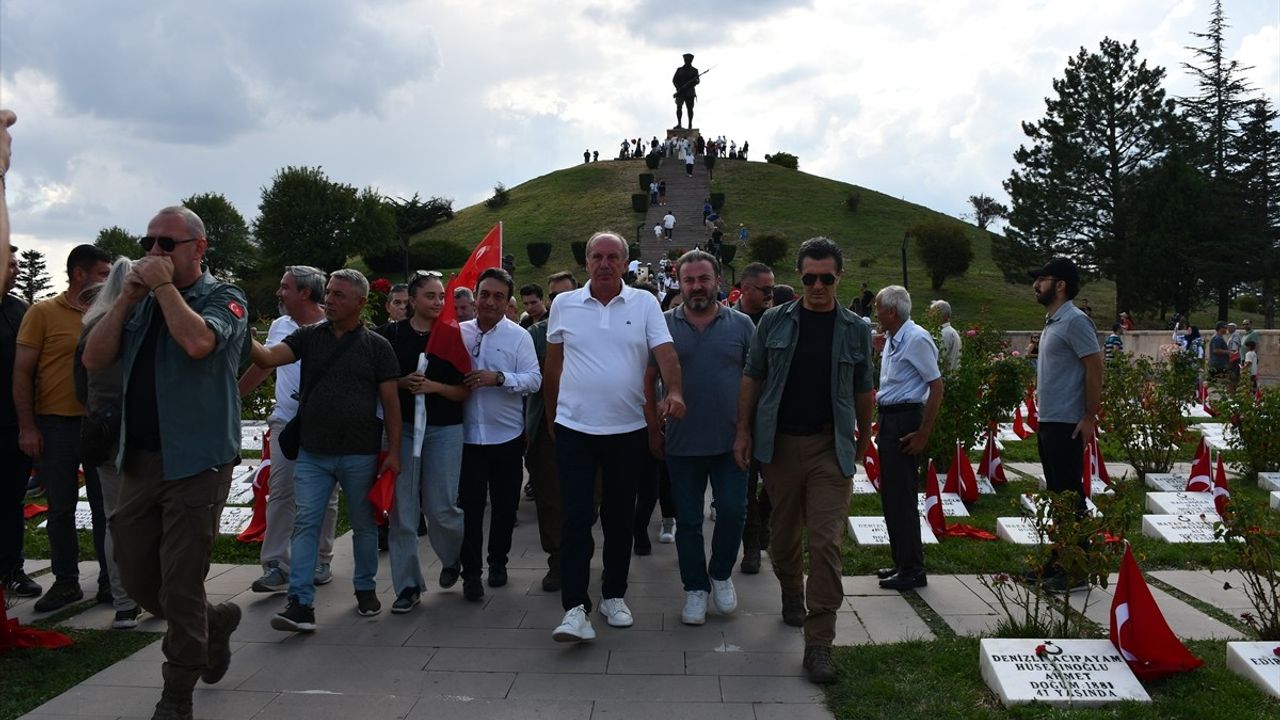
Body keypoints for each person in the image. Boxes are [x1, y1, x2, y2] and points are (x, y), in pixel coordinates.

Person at [82, 206, 248, 720]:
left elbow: (199, 342)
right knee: (134, 577)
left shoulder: (226, 297)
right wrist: (130, 295)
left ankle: (176, 694)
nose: (154, 252)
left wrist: (162, 290)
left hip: (199, 460)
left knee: (179, 582)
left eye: (167, 243)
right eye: (148, 241)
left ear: (198, 248)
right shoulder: (141, 301)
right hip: (141, 458)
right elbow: (94, 358)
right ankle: (214, 620)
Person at [734, 237, 874, 684]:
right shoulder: (774, 322)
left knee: (827, 542)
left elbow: (863, 389)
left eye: (826, 278)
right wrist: (743, 431)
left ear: (839, 277)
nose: (817, 286)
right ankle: (791, 590)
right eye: (810, 277)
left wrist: (866, 439)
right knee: (784, 538)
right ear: (800, 277)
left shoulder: (855, 329)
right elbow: (753, 376)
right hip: (780, 446)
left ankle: (819, 645)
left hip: (829, 447)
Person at [545, 232, 685, 643]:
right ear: (586, 262)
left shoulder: (644, 303)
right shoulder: (563, 304)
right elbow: (553, 367)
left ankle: (613, 595)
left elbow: (666, 354)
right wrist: (553, 418)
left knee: (620, 517)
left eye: (612, 257)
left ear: (626, 263)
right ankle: (574, 608)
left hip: (627, 430)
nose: (604, 263)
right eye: (596, 256)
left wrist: (674, 391)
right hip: (575, 429)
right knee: (575, 518)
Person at [248, 269, 402, 631]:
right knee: (306, 523)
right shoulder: (308, 337)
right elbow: (268, 359)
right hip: (313, 452)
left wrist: (393, 451)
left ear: (361, 303)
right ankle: (300, 602)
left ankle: (365, 587)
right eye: (329, 293)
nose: (329, 300)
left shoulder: (377, 347)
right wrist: (236, 327)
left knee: (364, 526)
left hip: (360, 453)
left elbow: (391, 403)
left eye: (339, 296)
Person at [646, 250, 753, 625]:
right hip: (682, 443)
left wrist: (747, 430)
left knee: (734, 512)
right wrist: (653, 427)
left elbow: (754, 381)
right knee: (688, 520)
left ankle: (721, 573)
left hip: (731, 442)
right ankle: (695, 587)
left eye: (703, 279)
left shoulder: (741, 326)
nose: (696, 287)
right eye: (688, 280)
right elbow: (647, 378)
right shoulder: (661, 325)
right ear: (679, 282)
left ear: (718, 281)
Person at [15, 244, 112, 612]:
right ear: (79, 274)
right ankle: (66, 581)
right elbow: (22, 372)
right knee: (60, 508)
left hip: (100, 425)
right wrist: (28, 426)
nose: (107, 281)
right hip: (55, 425)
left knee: (107, 509)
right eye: (102, 274)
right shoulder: (42, 313)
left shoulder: (110, 313)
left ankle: (110, 581)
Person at [237, 266, 340, 594]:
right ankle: (276, 565)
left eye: (285, 287)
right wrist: (234, 395)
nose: (279, 293)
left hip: (325, 423)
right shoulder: (281, 326)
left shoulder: (335, 327)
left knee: (325, 495)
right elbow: (265, 363)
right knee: (280, 491)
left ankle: (321, 560)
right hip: (285, 422)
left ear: (305, 293)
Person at [374, 271, 468, 610]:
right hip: (403, 429)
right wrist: (401, 383)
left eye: (441, 296)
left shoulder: (451, 336)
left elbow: (462, 392)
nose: (438, 302)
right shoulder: (389, 336)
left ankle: (453, 557)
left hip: (444, 429)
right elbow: (378, 382)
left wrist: (435, 387)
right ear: (411, 300)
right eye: (431, 296)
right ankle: (408, 587)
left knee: (442, 507)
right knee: (403, 511)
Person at [457, 269, 541, 602]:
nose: (489, 301)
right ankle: (470, 573)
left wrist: (501, 378)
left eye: (498, 296)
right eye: (484, 294)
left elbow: (533, 380)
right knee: (471, 509)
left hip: (506, 437)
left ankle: (498, 562)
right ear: (474, 296)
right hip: (466, 439)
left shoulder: (518, 336)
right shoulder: (457, 333)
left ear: (508, 302)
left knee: (505, 507)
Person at [1025, 257, 1102, 594]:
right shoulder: (1053, 321)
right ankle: (1059, 561)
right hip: (1049, 420)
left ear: (1060, 284)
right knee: (1058, 496)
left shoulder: (1074, 320)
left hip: (1068, 422)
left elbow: (1095, 365)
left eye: (1042, 279)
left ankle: (1076, 569)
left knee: (1070, 497)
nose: (1035, 285)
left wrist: (1088, 415)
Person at [73, 258, 142, 629]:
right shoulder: (137, 323)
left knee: (117, 520)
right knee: (143, 519)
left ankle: (124, 602)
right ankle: (142, 595)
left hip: (104, 430)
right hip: (138, 434)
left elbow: (80, 386)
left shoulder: (93, 325)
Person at [873, 286, 943, 592]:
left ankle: (913, 568)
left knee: (902, 496)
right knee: (891, 495)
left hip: (906, 419)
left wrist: (924, 431)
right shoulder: (892, 338)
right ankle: (901, 561)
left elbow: (936, 385)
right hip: (891, 417)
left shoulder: (916, 338)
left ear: (891, 311)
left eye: (878, 308)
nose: (875, 313)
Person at [525, 271, 579, 592]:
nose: (560, 302)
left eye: (565, 295)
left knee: (589, 500)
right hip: (546, 426)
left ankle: (578, 543)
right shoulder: (535, 335)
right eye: (553, 296)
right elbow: (528, 381)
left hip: (589, 425)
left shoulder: (592, 329)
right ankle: (558, 559)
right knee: (550, 496)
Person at [1, 242, 39, 598]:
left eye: (15, 262)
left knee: (11, 499)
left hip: (12, 424)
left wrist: (29, 424)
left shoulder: (21, 312)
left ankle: (12, 568)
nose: (14, 268)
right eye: (7, 262)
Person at [731, 262, 775, 574]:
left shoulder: (778, 321)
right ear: (745, 289)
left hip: (773, 415)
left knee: (774, 484)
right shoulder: (727, 320)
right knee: (743, 486)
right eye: (765, 290)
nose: (771, 295)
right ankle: (751, 549)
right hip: (740, 416)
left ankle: (764, 522)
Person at [930, 299, 961, 370]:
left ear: (940, 315)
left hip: (944, 378)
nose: (930, 316)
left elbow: (939, 359)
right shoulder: (951, 332)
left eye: (932, 313)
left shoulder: (944, 333)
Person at [673, 53, 699, 128]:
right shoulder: (679, 70)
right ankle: (679, 123)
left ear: (691, 60)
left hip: (690, 92)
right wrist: (678, 88)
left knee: (690, 109)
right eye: (686, 59)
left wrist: (692, 83)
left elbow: (697, 81)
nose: (687, 61)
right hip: (680, 92)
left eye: (689, 60)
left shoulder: (694, 70)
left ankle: (690, 124)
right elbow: (674, 80)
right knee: (679, 107)